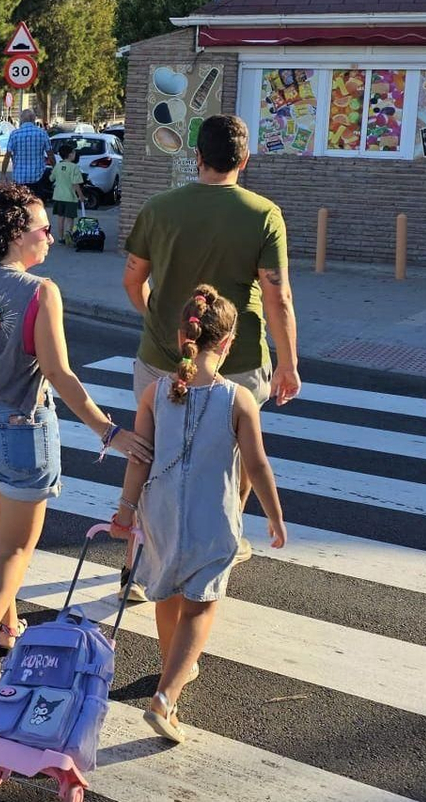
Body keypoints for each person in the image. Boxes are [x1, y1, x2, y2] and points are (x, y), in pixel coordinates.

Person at [0, 183, 151, 705]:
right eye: (43, 229)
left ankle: (6, 626)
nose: (51, 240)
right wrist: (108, 430)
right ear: (17, 235)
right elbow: (59, 373)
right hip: (22, 429)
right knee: (17, 547)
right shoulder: (40, 292)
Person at [119, 114, 301, 600]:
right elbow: (278, 297)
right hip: (235, 359)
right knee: (232, 457)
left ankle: (141, 561)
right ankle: (225, 539)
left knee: (150, 455)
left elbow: (132, 280)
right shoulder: (264, 214)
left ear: (196, 157)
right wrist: (287, 363)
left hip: (161, 355)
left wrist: (158, 320)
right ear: (244, 160)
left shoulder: (158, 208)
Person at [109, 285, 286, 745]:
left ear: (180, 335)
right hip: (213, 514)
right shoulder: (237, 398)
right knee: (201, 604)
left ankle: (174, 669)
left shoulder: (155, 391)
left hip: (160, 510)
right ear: (227, 344)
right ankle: (165, 697)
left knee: (166, 594)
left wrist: (125, 511)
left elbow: (139, 458)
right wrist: (274, 516)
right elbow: (257, 464)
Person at [3, 109, 48, 198]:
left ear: (22, 119)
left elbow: (7, 155)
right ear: (34, 119)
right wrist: (55, 168)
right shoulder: (42, 133)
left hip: (19, 178)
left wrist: (3, 174)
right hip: (38, 177)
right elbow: (50, 153)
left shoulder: (14, 134)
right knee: (36, 204)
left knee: (20, 204)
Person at [49, 140, 83, 243]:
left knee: (60, 217)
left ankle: (60, 237)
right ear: (70, 155)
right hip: (70, 197)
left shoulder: (57, 166)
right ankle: (69, 235)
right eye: (73, 152)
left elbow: (51, 178)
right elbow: (75, 183)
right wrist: (81, 195)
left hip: (58, 196)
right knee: (70, 218)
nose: (75, 154)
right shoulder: (74, 167)